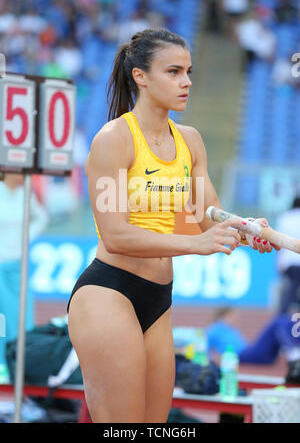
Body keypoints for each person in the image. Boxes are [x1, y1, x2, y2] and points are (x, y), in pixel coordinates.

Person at [66, 28, 280, 423]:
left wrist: (248, 230)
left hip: (158, 297)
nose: (187, 82)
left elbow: (208, 214)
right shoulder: (115, 139)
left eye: (189, 71)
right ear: (141, 77)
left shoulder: (190, 141)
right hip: (108, 293)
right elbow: (115, 236)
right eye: (174, 71)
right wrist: (196, 244)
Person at [0, 172, 49, 377]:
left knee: (22, 314)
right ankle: (3, 364)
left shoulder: (25, 194)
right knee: (2, 317)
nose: (22, 173)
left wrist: (25, 237)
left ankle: (21, 364)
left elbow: (41, 218)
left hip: (18, 263)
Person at [275, 196, 300, 314]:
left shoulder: (285, 218)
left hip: (290, 262)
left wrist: (280, 264)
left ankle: (282, 316)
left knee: (290, 291)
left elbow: (278, 242)